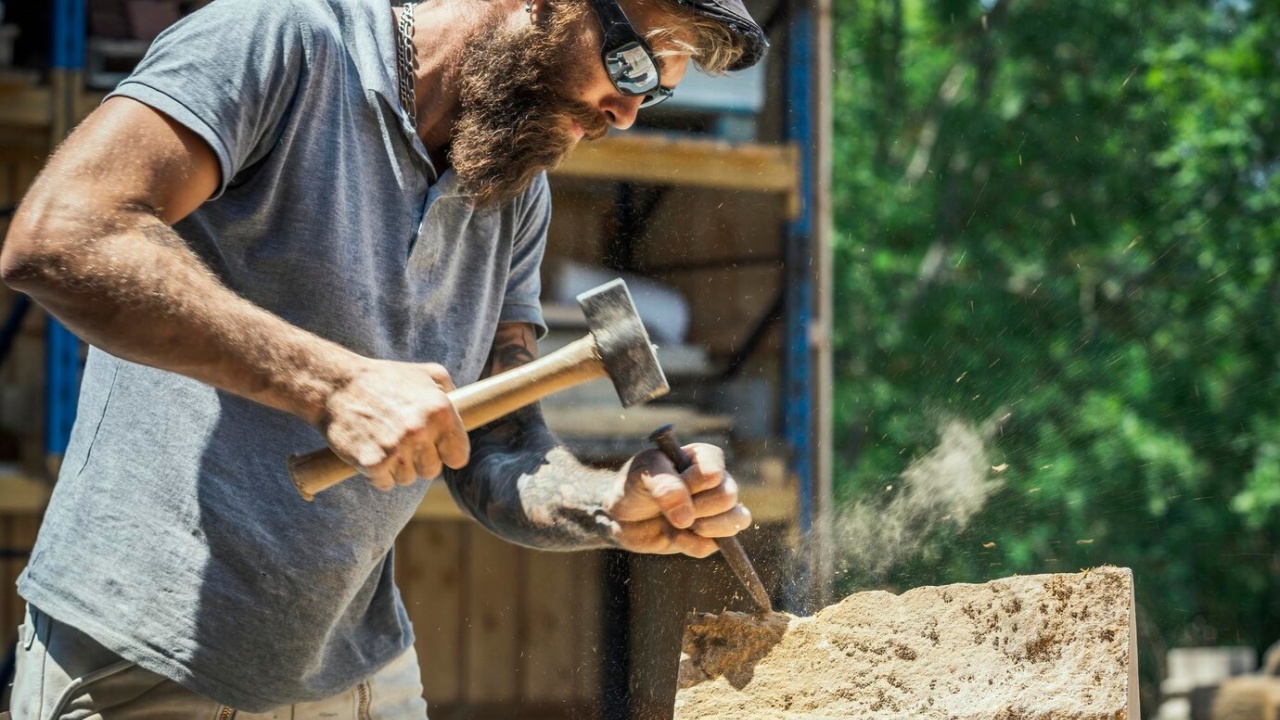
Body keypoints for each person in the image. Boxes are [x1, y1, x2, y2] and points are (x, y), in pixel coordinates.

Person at [0, 0, 767, 715]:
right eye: (633, 64)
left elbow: (497, 444)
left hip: (358, 667)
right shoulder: (280, 45)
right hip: (146, 651)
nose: (628, 112)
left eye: (656, 94)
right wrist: (332, 384)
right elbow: (64, 234)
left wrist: (610, 505)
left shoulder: (514, 189)